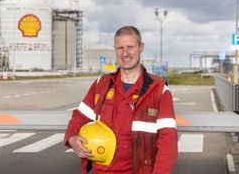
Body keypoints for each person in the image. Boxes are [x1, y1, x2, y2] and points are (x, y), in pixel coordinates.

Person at [64, 25, 178, 174]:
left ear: (141, 47)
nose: (125, 53)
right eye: (120, 48)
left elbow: (167, 144)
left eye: (130, 47)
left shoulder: (158, 91)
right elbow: (80, 116)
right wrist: (72, 138)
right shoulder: (101, 84)